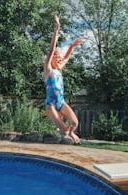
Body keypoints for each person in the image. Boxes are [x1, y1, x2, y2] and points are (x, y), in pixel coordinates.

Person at [43, 15, 81, 144]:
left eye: (59, 57)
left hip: (61, 102)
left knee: (75, 123)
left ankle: (70, 132)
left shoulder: (59, 69)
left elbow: (67, 58)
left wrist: (71, 46)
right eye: (56, 57)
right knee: (63, 130)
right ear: (51, 58)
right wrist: (56, 30)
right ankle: (66, 133)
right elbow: (51, 50)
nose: (59, 59)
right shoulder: (48, 70)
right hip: (51, 104)